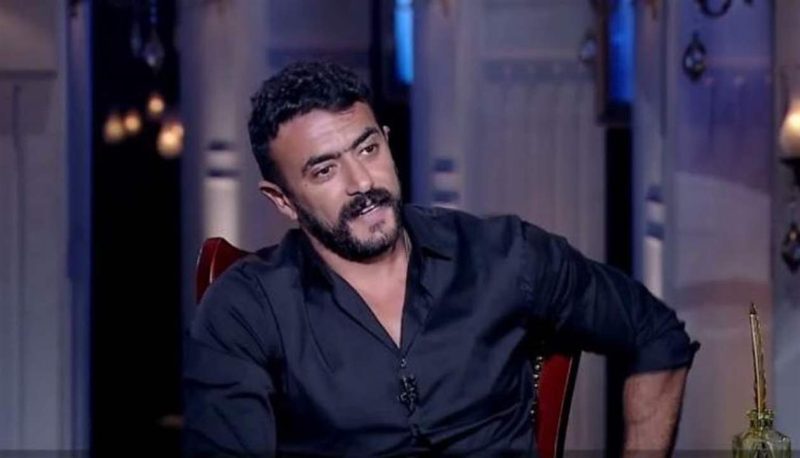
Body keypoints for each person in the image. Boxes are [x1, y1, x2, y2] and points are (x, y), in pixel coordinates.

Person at [183, 61, 698, 456]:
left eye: (367, 149)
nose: (362, 182)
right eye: (325, 171)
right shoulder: (246, 309)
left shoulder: (503, 255)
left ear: (387, 142)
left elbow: (655, 334)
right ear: (282, 200)